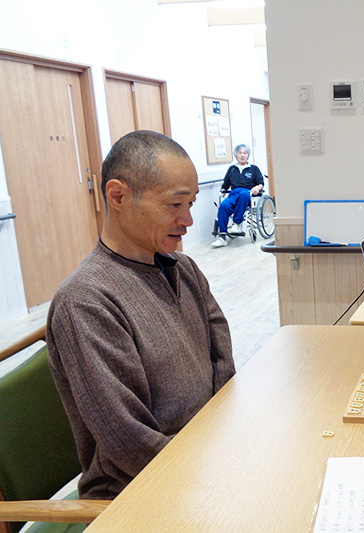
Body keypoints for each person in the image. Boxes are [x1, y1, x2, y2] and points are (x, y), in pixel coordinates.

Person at [47, 130, 236, 500]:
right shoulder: (87, 301)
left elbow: (223, 365)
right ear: (118, 196)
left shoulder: (185, 270)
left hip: (210, 458)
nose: (188, 221)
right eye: (174, 205)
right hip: (137, 491)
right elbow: (128, 440)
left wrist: (228, 447)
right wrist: (215, 475)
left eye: (191, 204)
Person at [210, 143, 265, 248]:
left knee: (244, 194)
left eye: (245, 153)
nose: (243, 155)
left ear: (248, 155)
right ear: (236, 155)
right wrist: (222, 191)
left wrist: (256, 188)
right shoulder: (232, 169)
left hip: (247, 194)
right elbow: (225, 185)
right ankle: (222, 238)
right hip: (233, 194)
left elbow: (261, 183)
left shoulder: (254, 169)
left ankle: (236, 224)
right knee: (224, 206)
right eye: (240, 153)